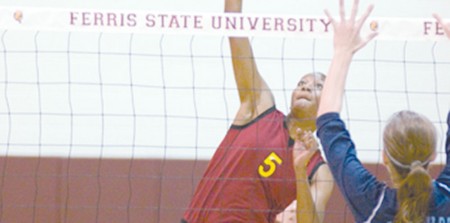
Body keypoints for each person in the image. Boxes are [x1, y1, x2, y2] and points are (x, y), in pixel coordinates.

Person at [181, 0, 334, 222]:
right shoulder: (259, 108)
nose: (306, 86)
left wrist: (300, 171)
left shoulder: (319, 170)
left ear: (328, 104)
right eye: (302, 82)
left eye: (317, 86)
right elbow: (235, 33)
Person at [315, 0, 450, 222]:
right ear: (433, 155)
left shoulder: (369, 202)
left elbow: (328, 123)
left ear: (384, 158)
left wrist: (342, 51)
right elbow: (327, 123)